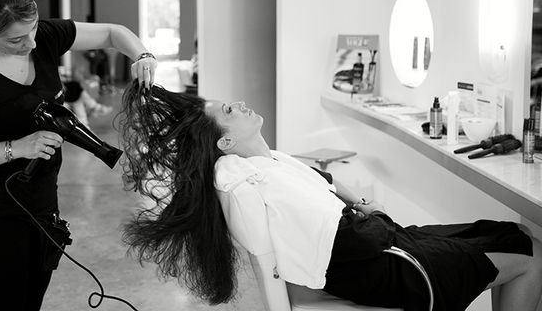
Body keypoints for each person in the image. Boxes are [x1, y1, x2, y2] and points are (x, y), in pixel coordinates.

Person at [117, 82, 542, 311]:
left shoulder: (266, 163)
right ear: (225, 143)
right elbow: (355, 241)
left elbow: (323, 182)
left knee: (513, 232)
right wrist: (373, 218)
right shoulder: (262, 181)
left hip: (387, 249)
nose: (240, 104)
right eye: (229, 111)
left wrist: (361, 204)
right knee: (531, 252)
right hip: (398, 271)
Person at [0, 0, 157, 311]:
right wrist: (17, 148)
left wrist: (142, 54)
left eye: (33, 30)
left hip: (43, 210)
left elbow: (114, 32)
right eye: (17, 39)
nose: (31, 43)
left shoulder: (43, 38)